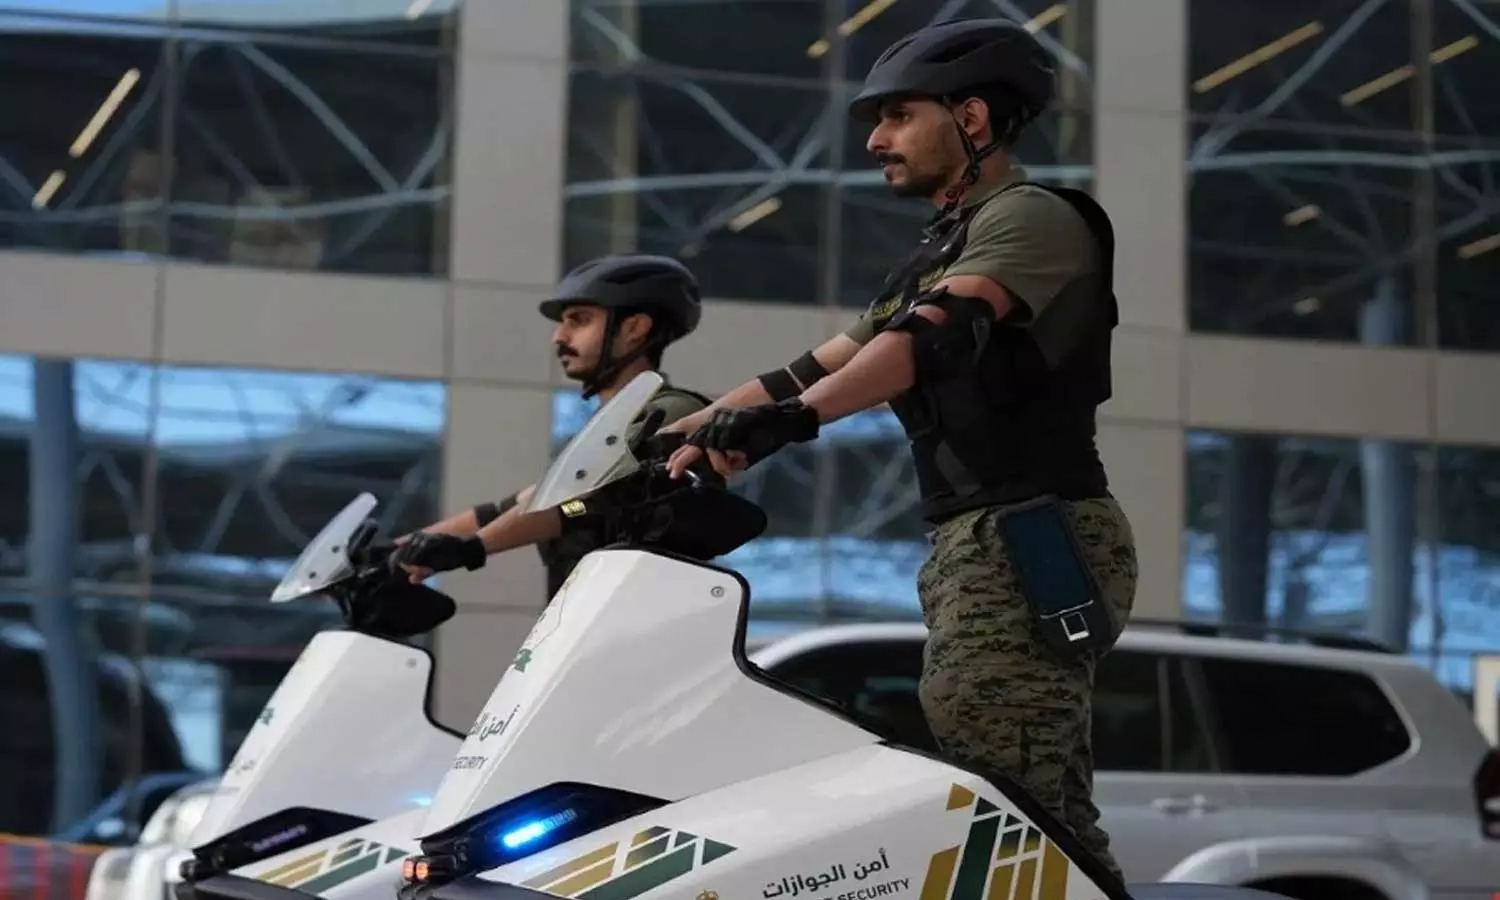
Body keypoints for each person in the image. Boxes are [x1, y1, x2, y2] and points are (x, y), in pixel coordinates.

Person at [659, 17, 1137, 881]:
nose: (875, 139)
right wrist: (681, 438)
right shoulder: (940, 247)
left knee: (1012, 797)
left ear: (975, 119)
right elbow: (816, 365)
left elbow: (934, 336)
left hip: (1034, 531)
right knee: (1023, 791)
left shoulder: (1034, 218)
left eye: (897, 115)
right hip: (979, 534)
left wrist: (792, 424)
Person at [390, 254, 714, 600]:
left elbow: (580, 504)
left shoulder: (672, 412)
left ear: (635, 328)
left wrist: (472, 548)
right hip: (585, 626)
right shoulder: (602, 433)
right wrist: (395, 551)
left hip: (638, 623)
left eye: (579, 320)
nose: (558, 337)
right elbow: (520, 504)